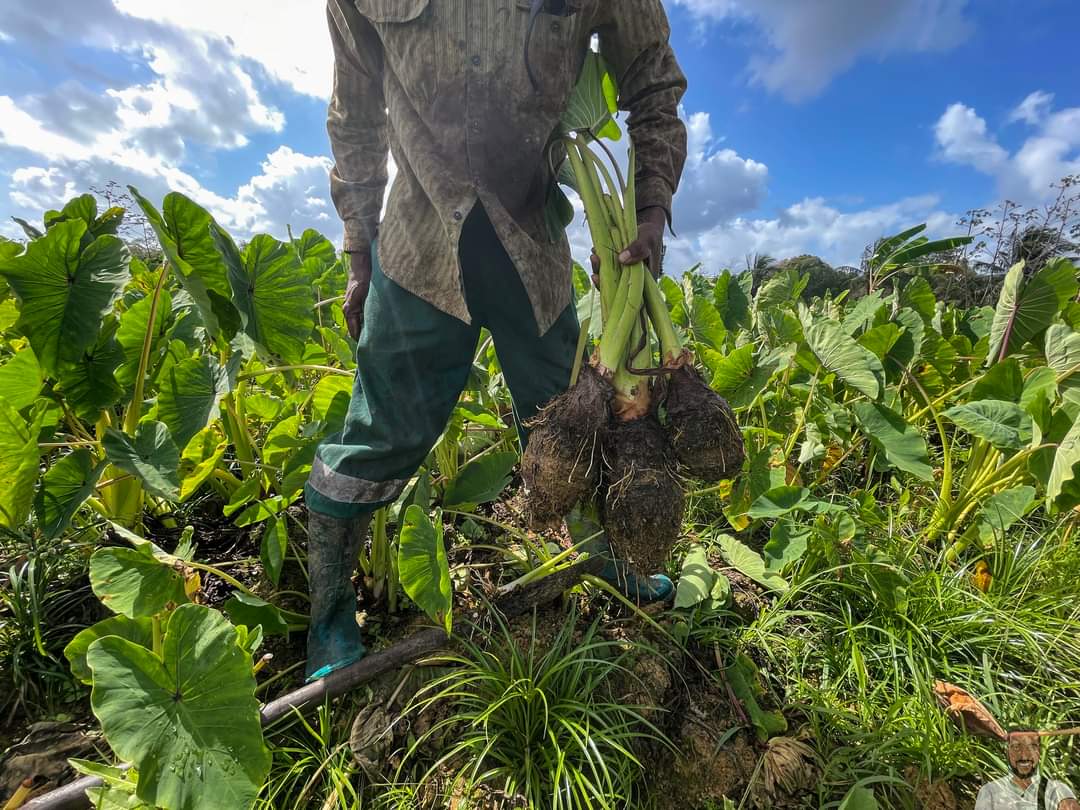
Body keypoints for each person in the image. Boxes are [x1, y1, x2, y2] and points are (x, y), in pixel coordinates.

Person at [302, 0, 688, 681]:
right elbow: (354, 114)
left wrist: (651, 210)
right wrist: (358, 253)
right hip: (419, 252)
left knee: (572, 412)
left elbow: (653, 81)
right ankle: (329, 615)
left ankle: (604, 560)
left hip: (530, 245)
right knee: (378, 434)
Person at [974, 730, 1080, 809]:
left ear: (1040, 752)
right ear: (1007, 752)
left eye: (1032, 747)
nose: (1024, 755)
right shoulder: (990, 792)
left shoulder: (1057, 790)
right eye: (1016, 747)